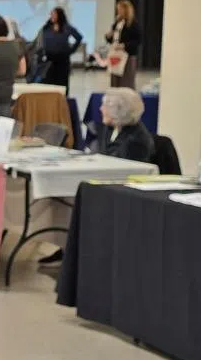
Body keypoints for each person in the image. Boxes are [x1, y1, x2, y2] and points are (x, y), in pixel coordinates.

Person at [40, 87, 156, 269]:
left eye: (105, 106)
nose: (101, 109)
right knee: (62, 197)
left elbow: (122, 172)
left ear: (119, 111)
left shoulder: (135, 140)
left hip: (121, 194)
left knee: (73, 199)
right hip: (103, 185)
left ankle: (73, 250)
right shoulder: (111, 130)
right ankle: (67, 247)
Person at [35, 7, 84, 90]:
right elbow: (39, 40)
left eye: (54, 14)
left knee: (62, 83)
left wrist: (71, 50)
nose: (52, 16)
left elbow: (79, 37)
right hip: (49, 60)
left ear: (60, 15)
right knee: (48, 83)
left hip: (62, 60)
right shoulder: (46, 28)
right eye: (51, 14)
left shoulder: (67, 27)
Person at [104, 0, 142, 89]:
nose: (118, 11)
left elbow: (138, 40)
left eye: (120, 9)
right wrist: (108, 36)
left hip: (127, 56)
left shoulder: (133, 24)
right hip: (115, 55)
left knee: (126, 82)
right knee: (114, 81)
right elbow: (113, 39)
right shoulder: (117, 23)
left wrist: (124, 45)